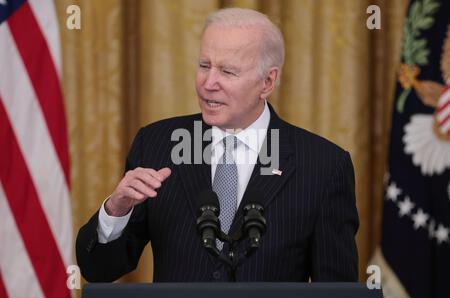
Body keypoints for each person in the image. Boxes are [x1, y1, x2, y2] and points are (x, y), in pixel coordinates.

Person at [76, 8, 359, 282]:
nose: (208, 83)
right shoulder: (156, 145)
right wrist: (116, 210)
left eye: (228, 71)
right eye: (204, 66)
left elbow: (336, 292)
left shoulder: (323, 166)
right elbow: (99, 270)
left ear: (267, 82)